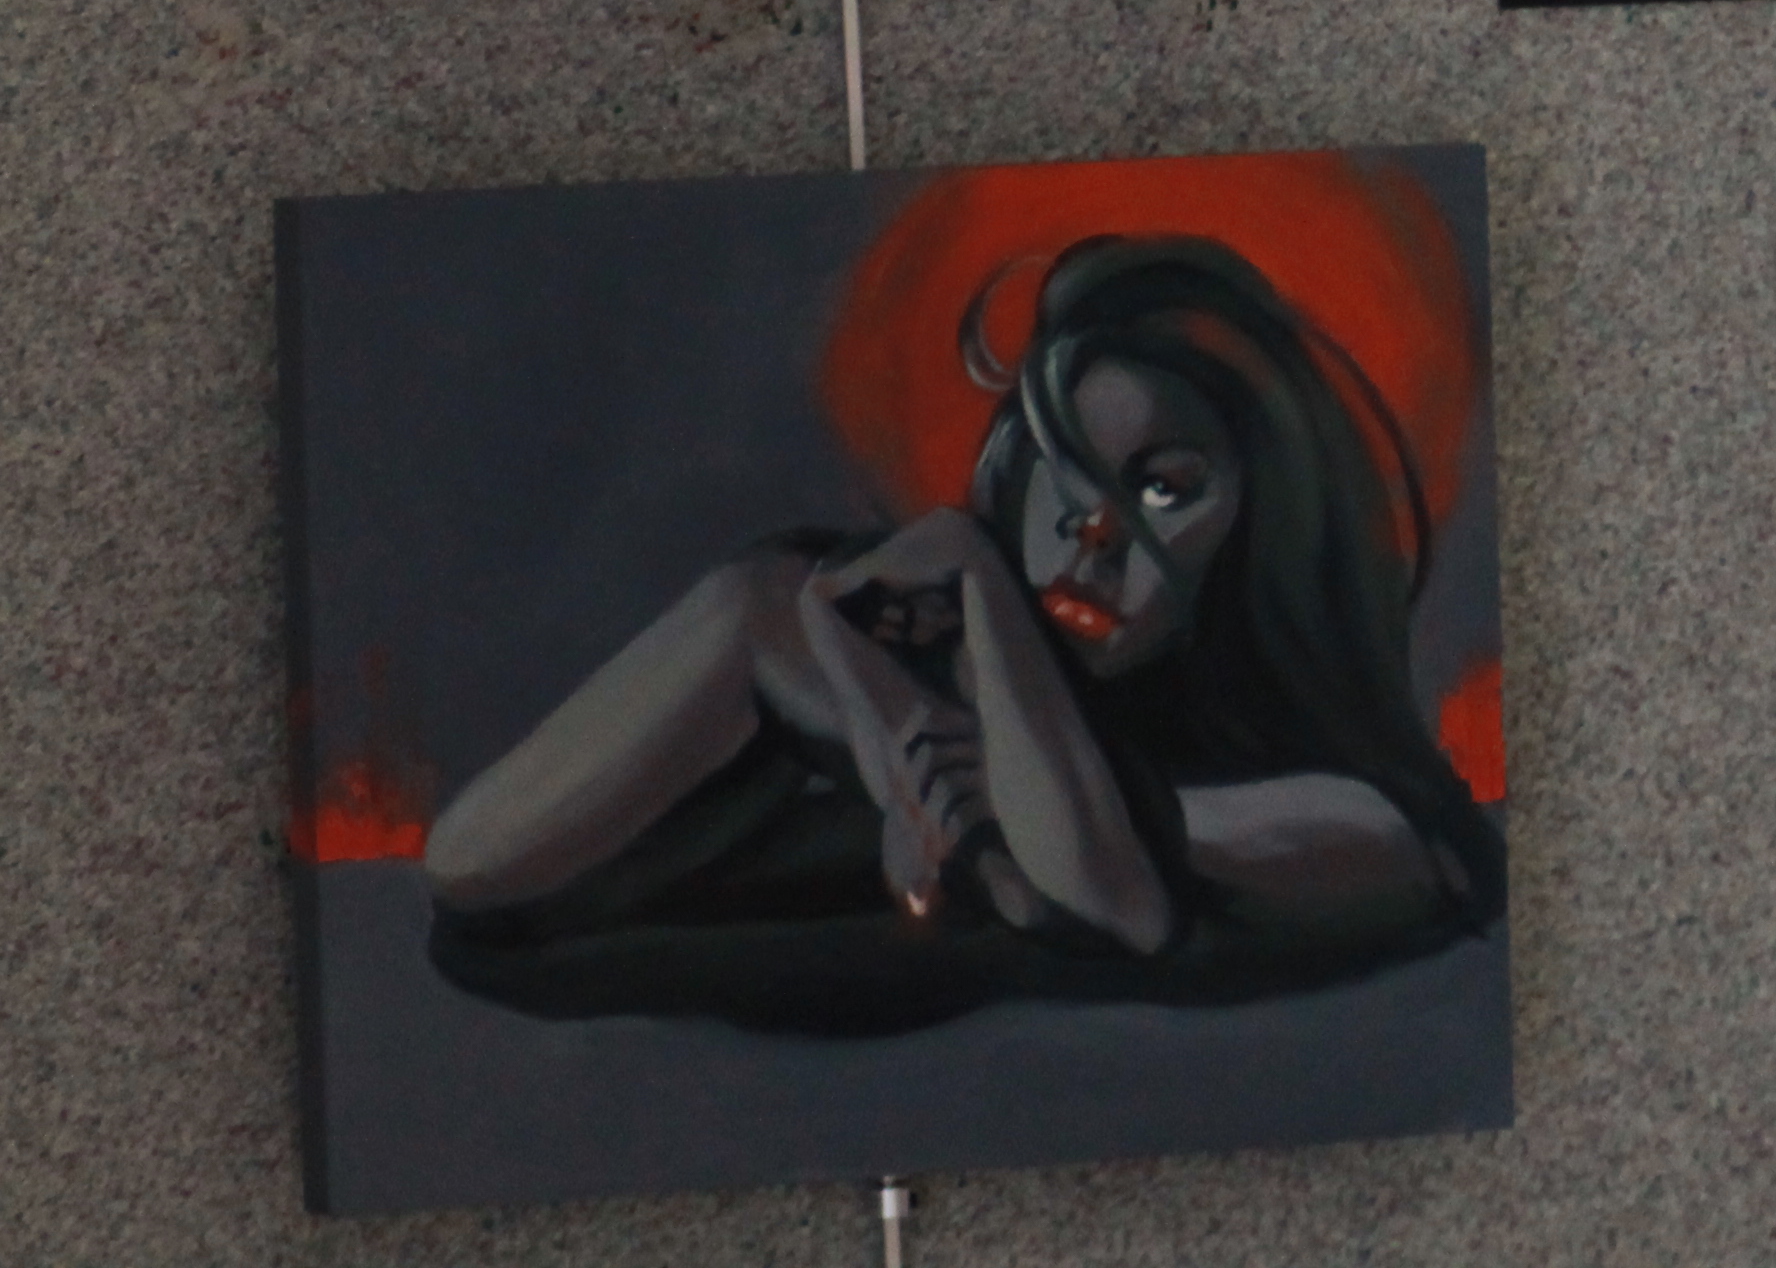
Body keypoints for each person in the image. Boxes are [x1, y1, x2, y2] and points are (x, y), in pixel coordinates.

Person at [420, 235, 1503, 1035]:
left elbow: (1116, 896)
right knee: (759, 600)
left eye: (1165, 489)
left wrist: (976, 577)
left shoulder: (1372, 821)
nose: (1092, 534)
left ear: (1267, 525)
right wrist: (876, 717)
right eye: (1062, 472)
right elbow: (471, 866)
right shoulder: (949, 674)